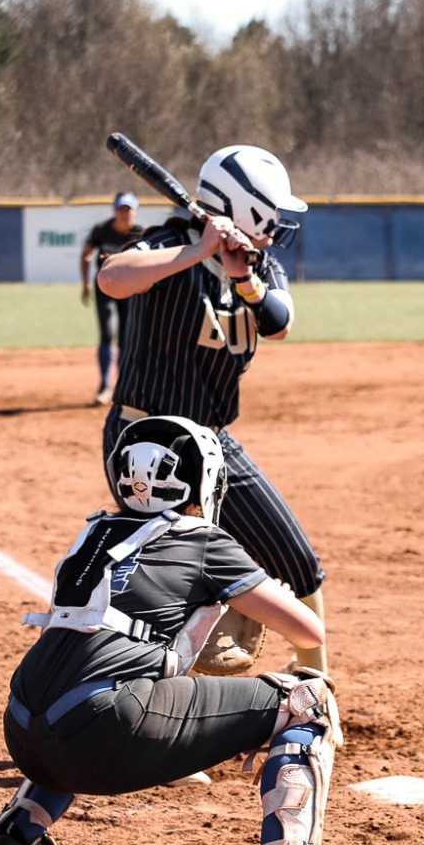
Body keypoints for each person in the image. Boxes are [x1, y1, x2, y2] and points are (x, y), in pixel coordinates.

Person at [0, 415, 372, 845]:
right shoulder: (205, 540)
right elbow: (308, 632)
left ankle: (15, 839)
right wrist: (238, 601)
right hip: (104, 734)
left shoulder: (94, 533)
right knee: (310, 700)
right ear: (202, 482)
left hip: (23, 733)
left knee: (78, 693)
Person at [96, 145, 331, 676]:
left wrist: (241, 274)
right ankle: (161, 721)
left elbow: (279, 322)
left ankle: (315, 701)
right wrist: (197, 252)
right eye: (273, 213)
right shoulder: (172, 243)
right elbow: (112, 277)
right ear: (247, 209)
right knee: (177, 581)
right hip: (145, 440)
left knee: (299, 565)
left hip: (211, 443)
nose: (280, 226)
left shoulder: (258, 265)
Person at [80, 191, 147, 405]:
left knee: (127, 338)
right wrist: (84, 284)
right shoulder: (102, 230)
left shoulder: (140, 233)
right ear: (114, 209)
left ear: (135, 211)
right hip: (105, 289)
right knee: (107, 333)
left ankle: (124, 386)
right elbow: (86, 253)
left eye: (128, 209)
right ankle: (104, 385)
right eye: (120, 208)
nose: (124, 213)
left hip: (129, 290)